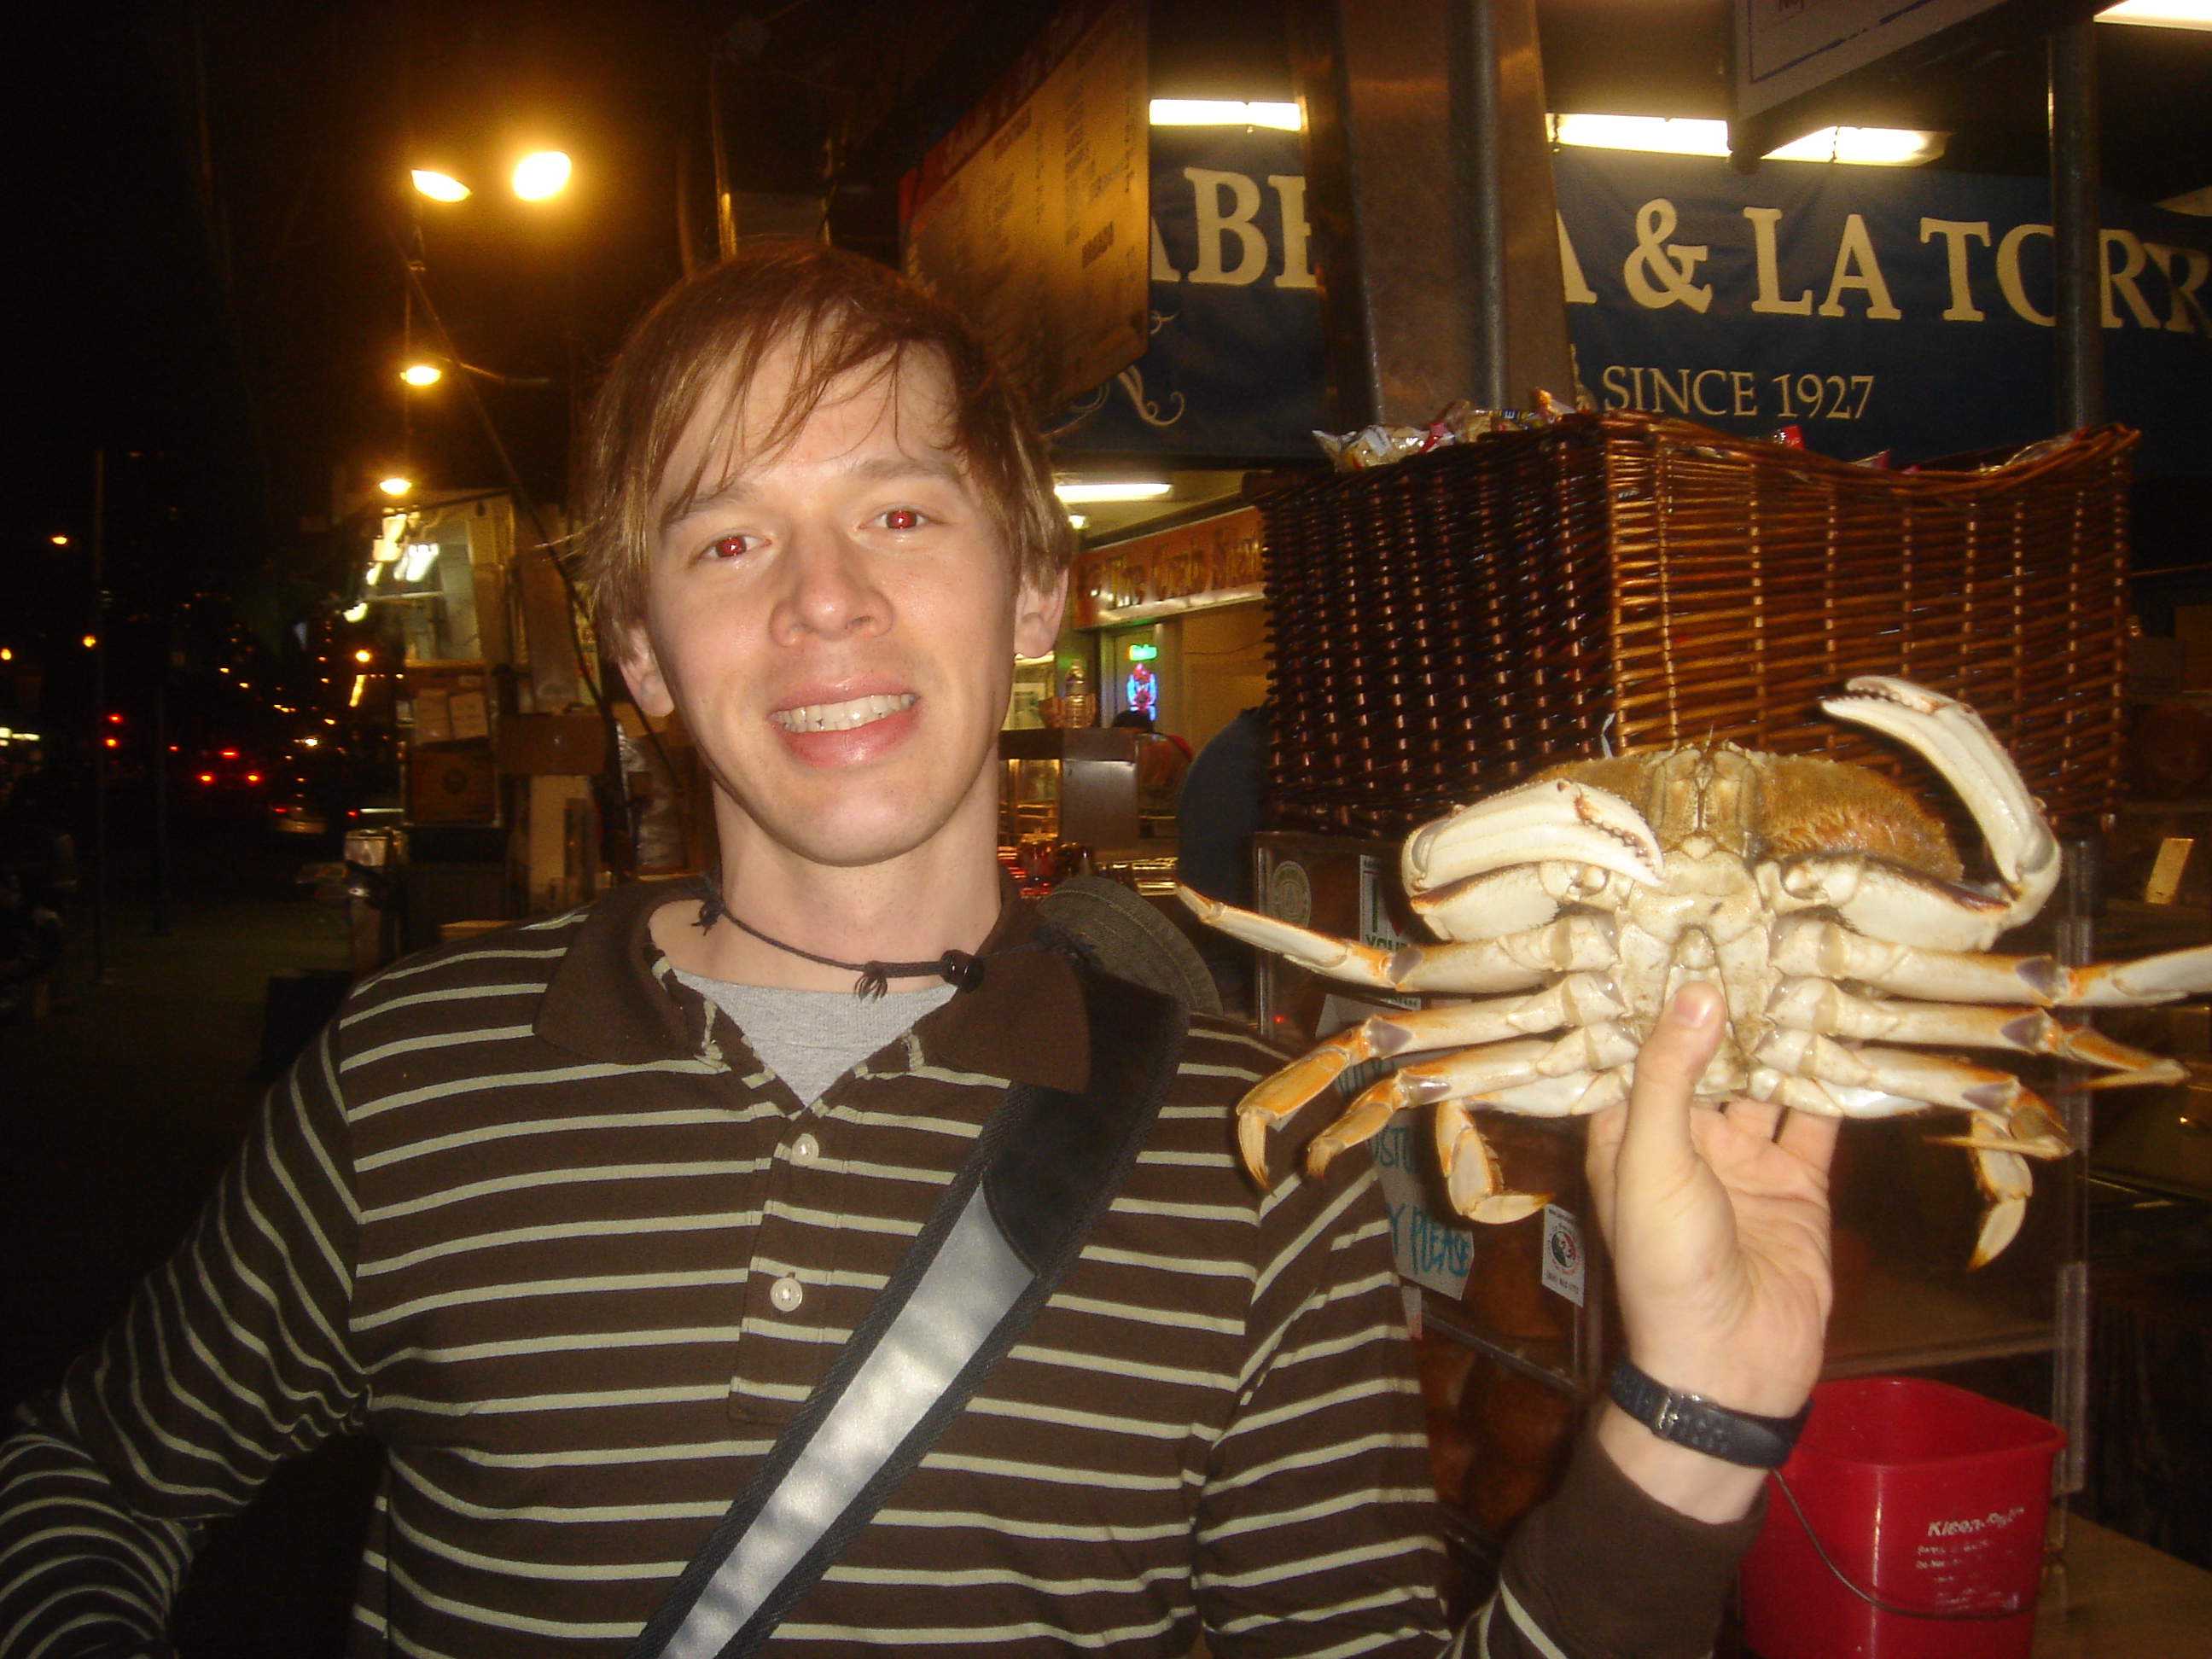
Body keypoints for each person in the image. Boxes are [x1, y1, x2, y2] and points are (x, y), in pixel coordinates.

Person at [0, 244, 1836, 1657]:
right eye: (729, 540)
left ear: (1037, 589)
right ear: (640, 651)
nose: (824, 602)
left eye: (898, 509)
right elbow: (83, 1479)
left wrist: (1700, 1411)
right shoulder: (411, 1083)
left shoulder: (1257, 1149)